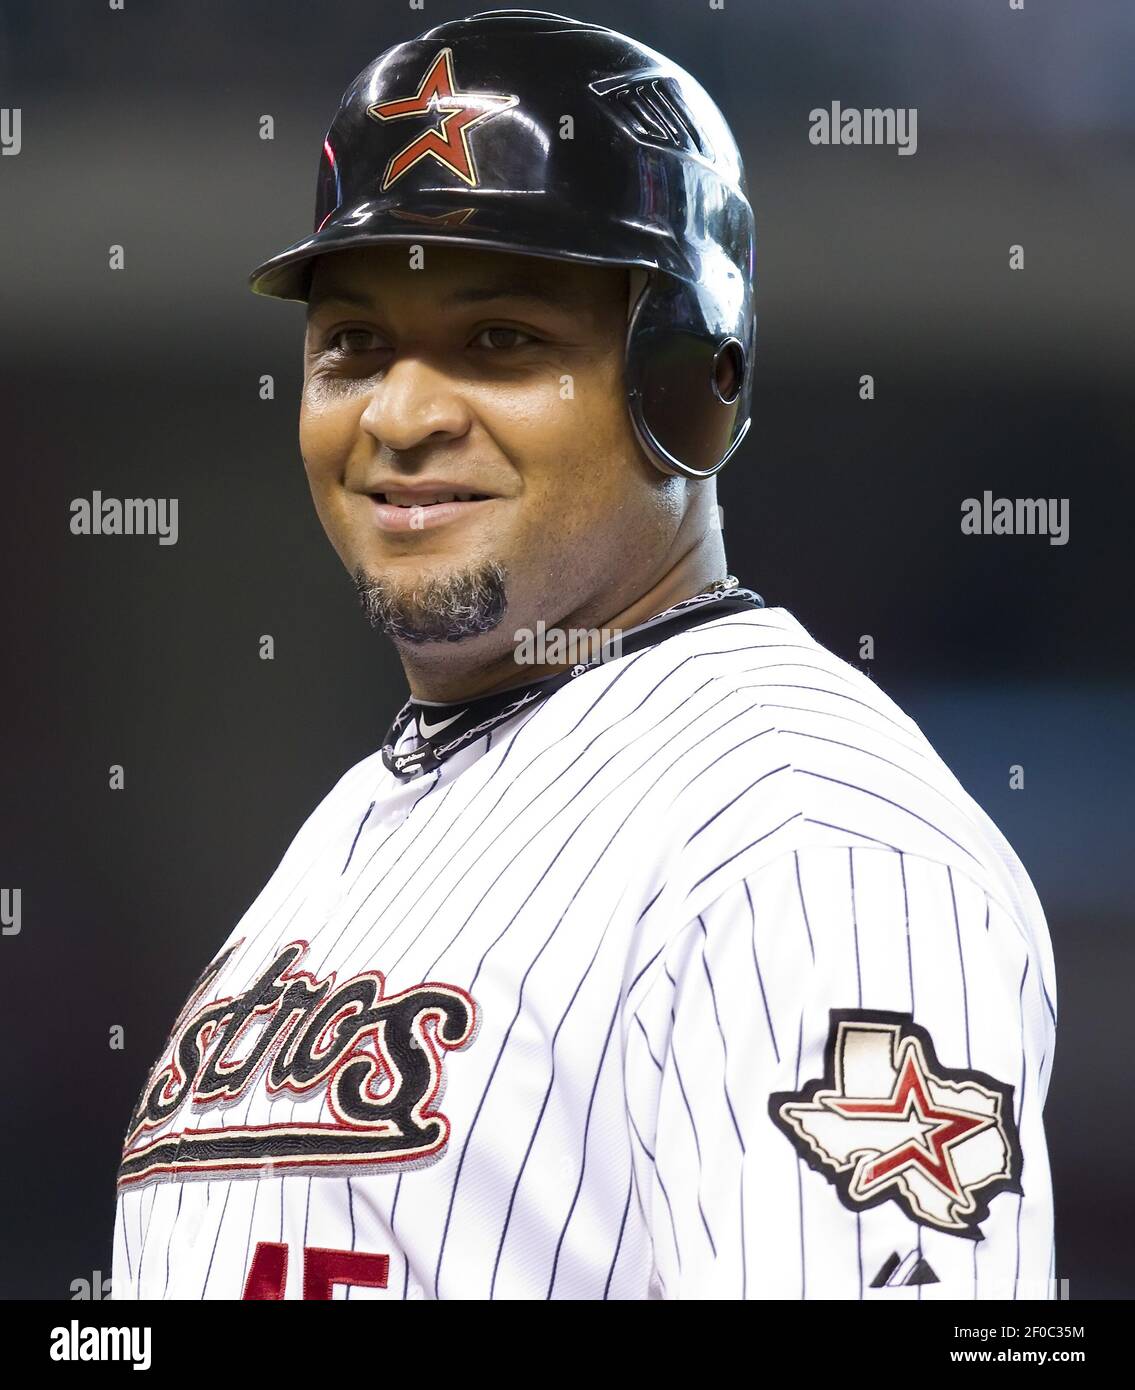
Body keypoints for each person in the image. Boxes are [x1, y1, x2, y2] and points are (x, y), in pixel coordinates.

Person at [111, 10, 1056, 1300]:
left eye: (502, 341)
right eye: (356, 347)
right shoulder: (373, 815)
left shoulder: (804, 840)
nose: (402, 415)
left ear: (691, 389)